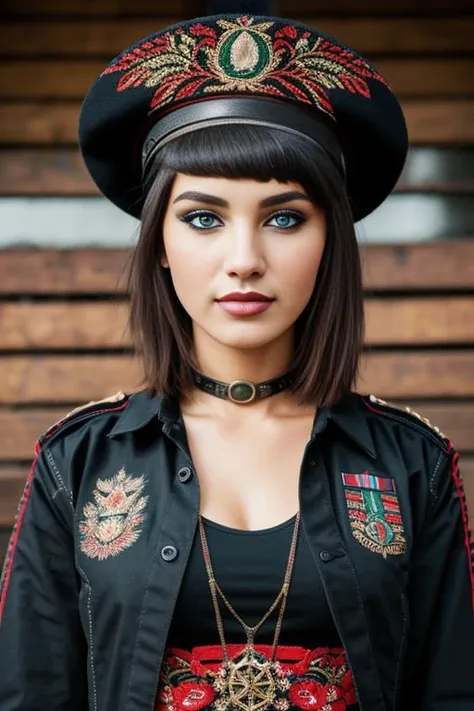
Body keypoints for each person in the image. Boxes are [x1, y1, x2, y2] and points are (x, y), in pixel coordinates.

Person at [0, 12, 473, 711]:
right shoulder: (79, 463)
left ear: (329, 241)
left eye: (284, 217)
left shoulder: (411, 464)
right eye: (203, 217)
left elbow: (451, 692)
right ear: (159, 241)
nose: (244, 259)